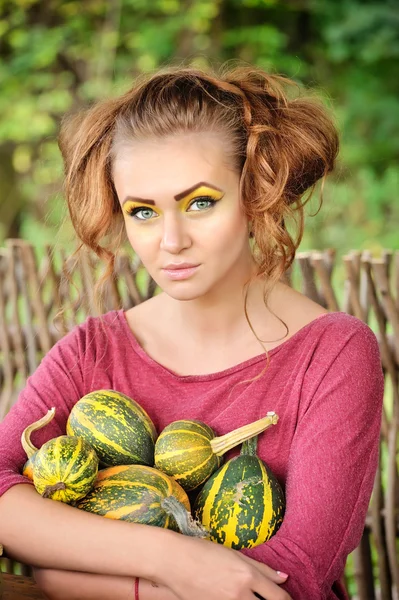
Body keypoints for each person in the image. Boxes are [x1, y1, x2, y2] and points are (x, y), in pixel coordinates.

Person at [0, 64, 384, 600]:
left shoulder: (334, 352)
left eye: (200, 202)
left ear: (256, 194)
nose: (170, 240)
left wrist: (68, 575)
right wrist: (172, 559)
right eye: (143, 211)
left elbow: (292, 577)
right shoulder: (92, 351)